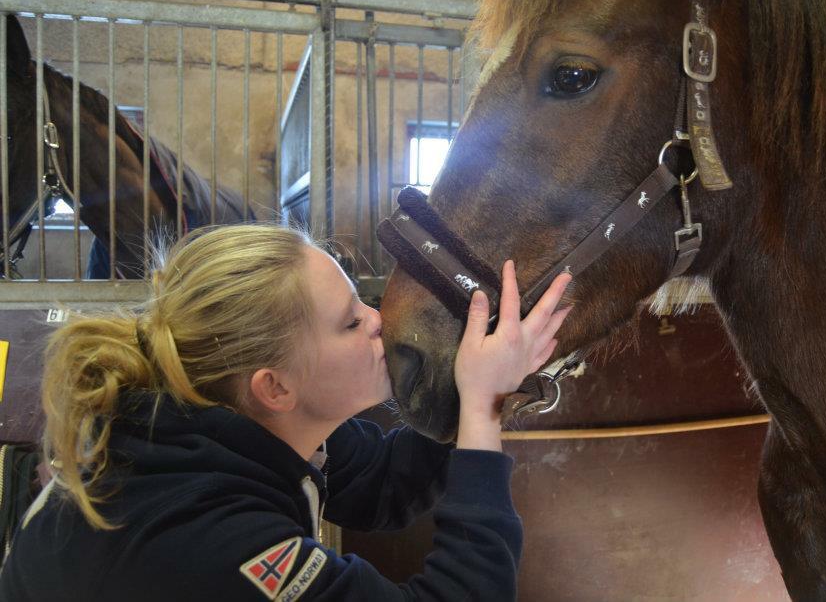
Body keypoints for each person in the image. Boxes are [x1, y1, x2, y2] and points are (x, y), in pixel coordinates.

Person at [0, 224, 572, 601]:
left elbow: (382, 486)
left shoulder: (220, 415)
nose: (379, 320)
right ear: (274, 387)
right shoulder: (208, 541)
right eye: (351, 322)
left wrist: (461, 379)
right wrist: (482, 406)